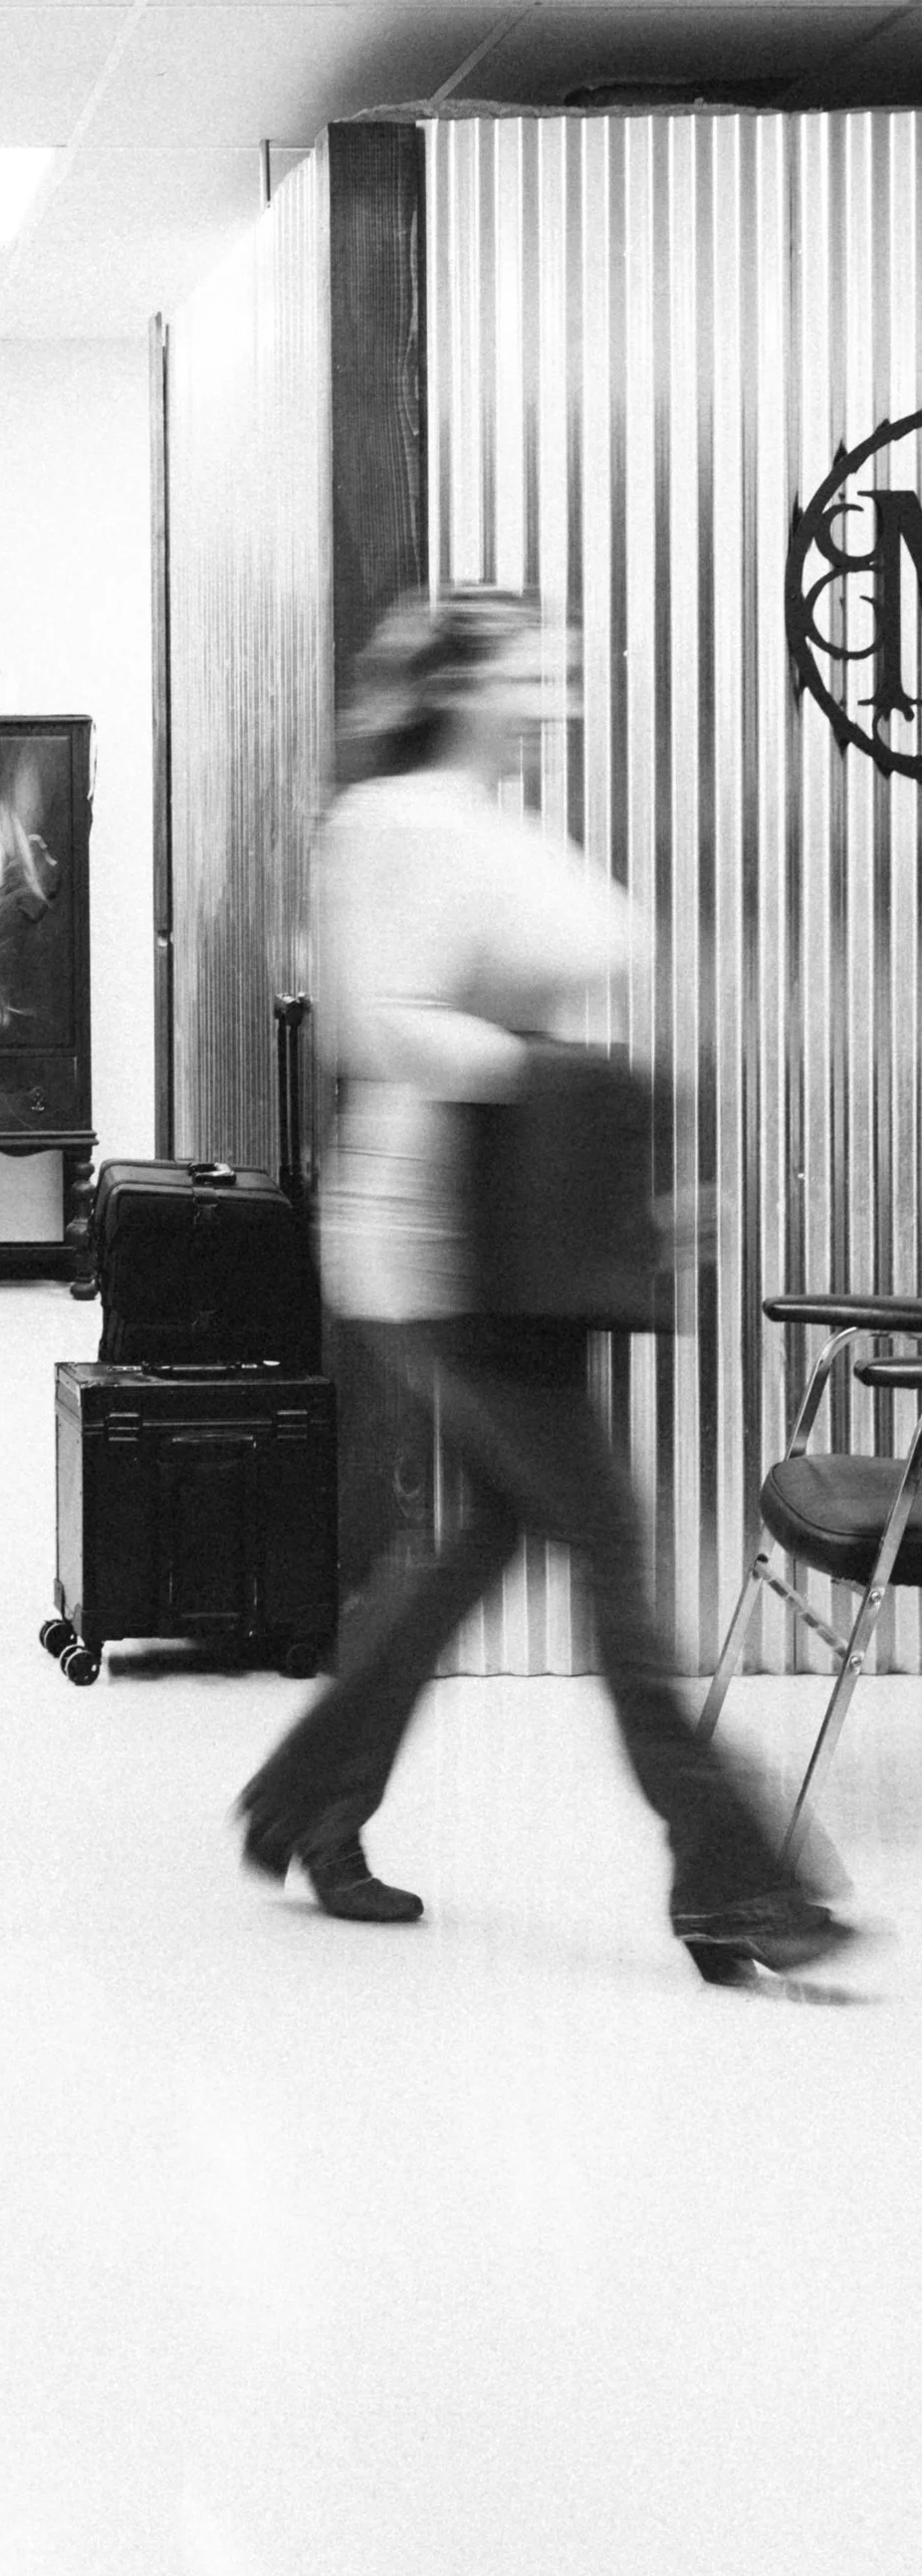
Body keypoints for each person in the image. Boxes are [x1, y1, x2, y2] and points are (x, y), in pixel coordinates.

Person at [236, 586, 853, 1983]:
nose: (557, 694)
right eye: (534, 669)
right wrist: (566, 1092)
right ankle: (730, 1874)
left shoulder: (496, 825)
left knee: (481, 1549)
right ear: (458, 682)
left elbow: (548, 1000)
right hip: (432, 1242)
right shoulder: (388, 824)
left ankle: (308, 1801)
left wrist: (621, 1179)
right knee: (614, 1555)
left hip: (516, 1241)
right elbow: (381, 1022)